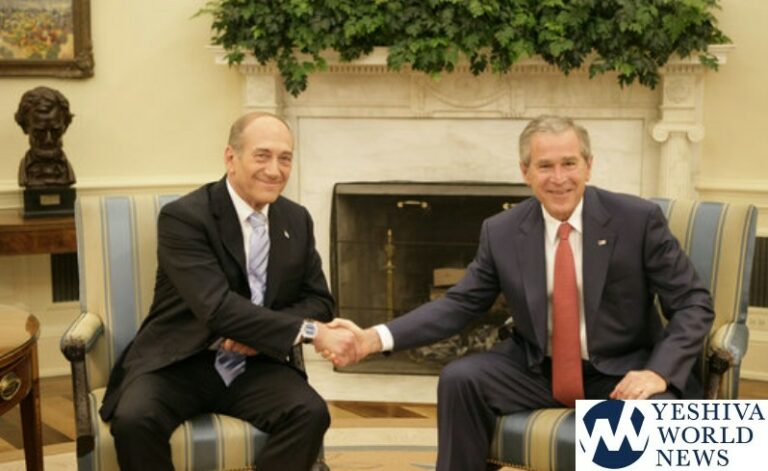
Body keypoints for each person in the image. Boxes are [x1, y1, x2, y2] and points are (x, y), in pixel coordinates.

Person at [328, 115, 715, 470]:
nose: (559, 178)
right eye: (545, 166)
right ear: (525, 172)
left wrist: (657, 372)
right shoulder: (502, 231)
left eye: (569, 163)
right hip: (536, 369)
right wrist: (372, 339)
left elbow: (693, 302)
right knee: (461, 378)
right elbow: (460, 304)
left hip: (620, 370)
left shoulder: (636, 220)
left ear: (588, 165)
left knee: (658, 419)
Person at [100, 112, 356, 470]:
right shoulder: (185, 217)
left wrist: (260, 337)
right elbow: (216, 308)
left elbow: (320, 301)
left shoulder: (296, 219)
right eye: (262, 155)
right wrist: (310, 332)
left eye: (285, 158)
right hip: (180, 360)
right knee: (134, 420)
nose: (275, 170)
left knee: (310, 412)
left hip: (254, 364)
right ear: (230, 158)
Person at [15, 86, 76, 187]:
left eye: (56, 131)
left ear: (65, 126)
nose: (49, 140)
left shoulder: (67, 171)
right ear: (25, 127)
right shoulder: (25, 172)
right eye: (40, 132)